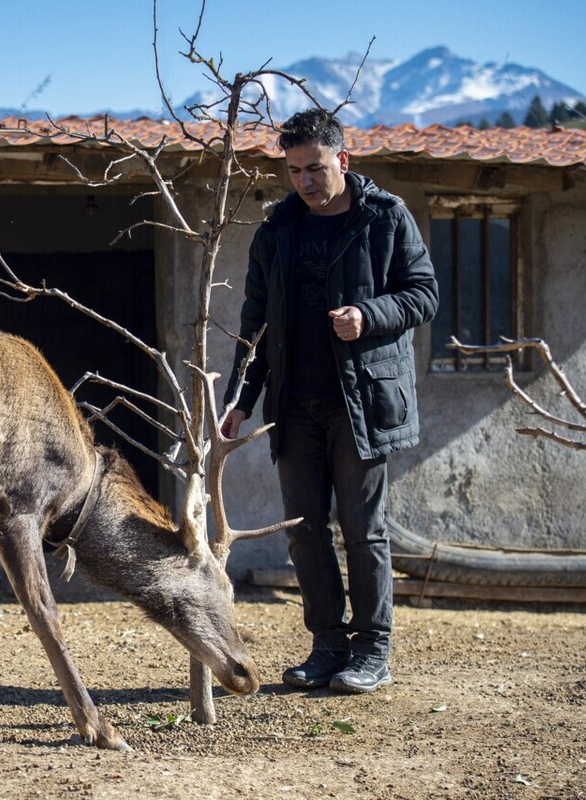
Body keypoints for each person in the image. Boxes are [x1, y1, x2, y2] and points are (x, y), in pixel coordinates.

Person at [220, 108, 438, 693]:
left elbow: (424, 295)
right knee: (304, 530)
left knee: (364, 528)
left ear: (343, 159)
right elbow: (255, 323)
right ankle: (326, 646)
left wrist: (369, 316)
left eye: (315, 168)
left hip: (363, 401)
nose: (306, 182)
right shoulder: (277, 231)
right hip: (294, 405)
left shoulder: (386, 219)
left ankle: (373, 651)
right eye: (294, 171)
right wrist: (240, 397)